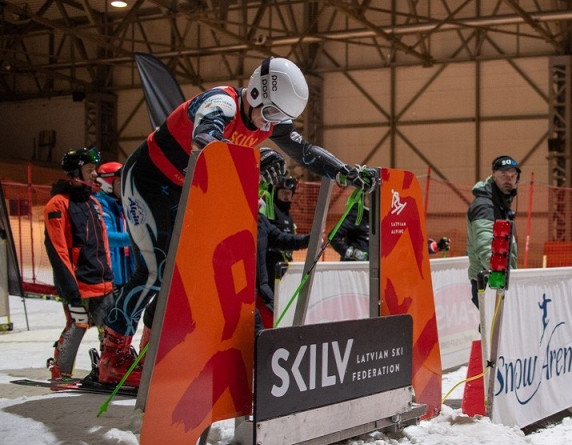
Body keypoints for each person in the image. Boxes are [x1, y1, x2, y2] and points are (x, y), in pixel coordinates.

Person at [97, 57, 378, 386]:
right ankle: (112, 355)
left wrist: (344, 172)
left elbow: (305, 152)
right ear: (257, 93)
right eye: (271, 114)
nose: (268, 126)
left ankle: (151, 350)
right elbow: (206, 148)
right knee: (157, 266)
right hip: (149, 179)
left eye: (280, 120)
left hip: (185, 188)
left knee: (182, 273)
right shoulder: (220, 104)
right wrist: (258, 158)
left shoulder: (266, 119)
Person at [43, 148, 114, 380]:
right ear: (75, 172)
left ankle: (109, 369)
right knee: (77, 325)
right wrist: (70, 289)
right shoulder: (58, 204)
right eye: (89, 170)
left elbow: (103, 244)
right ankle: (60, 370)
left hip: (102, 282)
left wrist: (111, 277)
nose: (95, 174)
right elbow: (57, 249)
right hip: (78, 283)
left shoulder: (94, 203)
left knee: (110, 329)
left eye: (95, 169)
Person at [466, 155, 519, 308]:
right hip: (491, 282)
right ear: (494, 175)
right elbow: (486, 247)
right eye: (503, 175)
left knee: (498, 329)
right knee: (493, 329)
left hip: (500, 280)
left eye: (512, 176)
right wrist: (502, 279)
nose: (508, 180)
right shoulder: (485, 206)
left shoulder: (500, 203)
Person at [95, 162, 136, 289]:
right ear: (107, 184)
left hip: (128, 276)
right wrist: (136, 238)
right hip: (110, 279)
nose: (124, 187)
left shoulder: (124, 204)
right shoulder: (99, 204)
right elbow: (106, 237)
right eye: (119, 183)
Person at [265, 173, 309, 291]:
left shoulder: (287, 214)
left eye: (288, 193)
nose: (286, 196)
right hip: (270, 267)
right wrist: (304, 240)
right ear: (276, 192)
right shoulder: (270, 210)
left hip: (284, 265)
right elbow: (274, 238)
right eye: (283, 192)